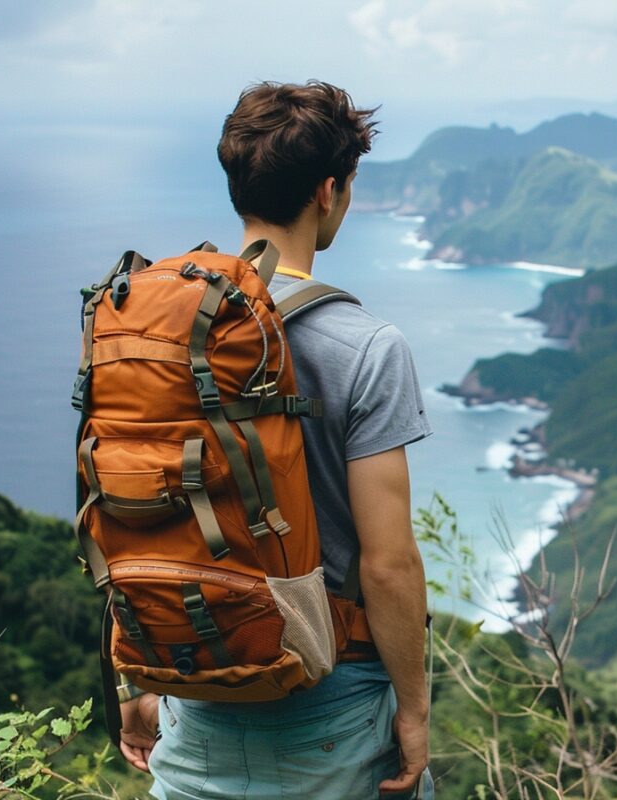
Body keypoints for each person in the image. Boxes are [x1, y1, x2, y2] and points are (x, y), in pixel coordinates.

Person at [114, 81, 433, 799]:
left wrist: (134, 681)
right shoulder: (368, 347)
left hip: (194, 691)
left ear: (241, 188)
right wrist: (413, 709)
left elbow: (130, 512)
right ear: (329, 191)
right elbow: (387, 564)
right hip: (334, 706)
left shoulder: (161, 334)